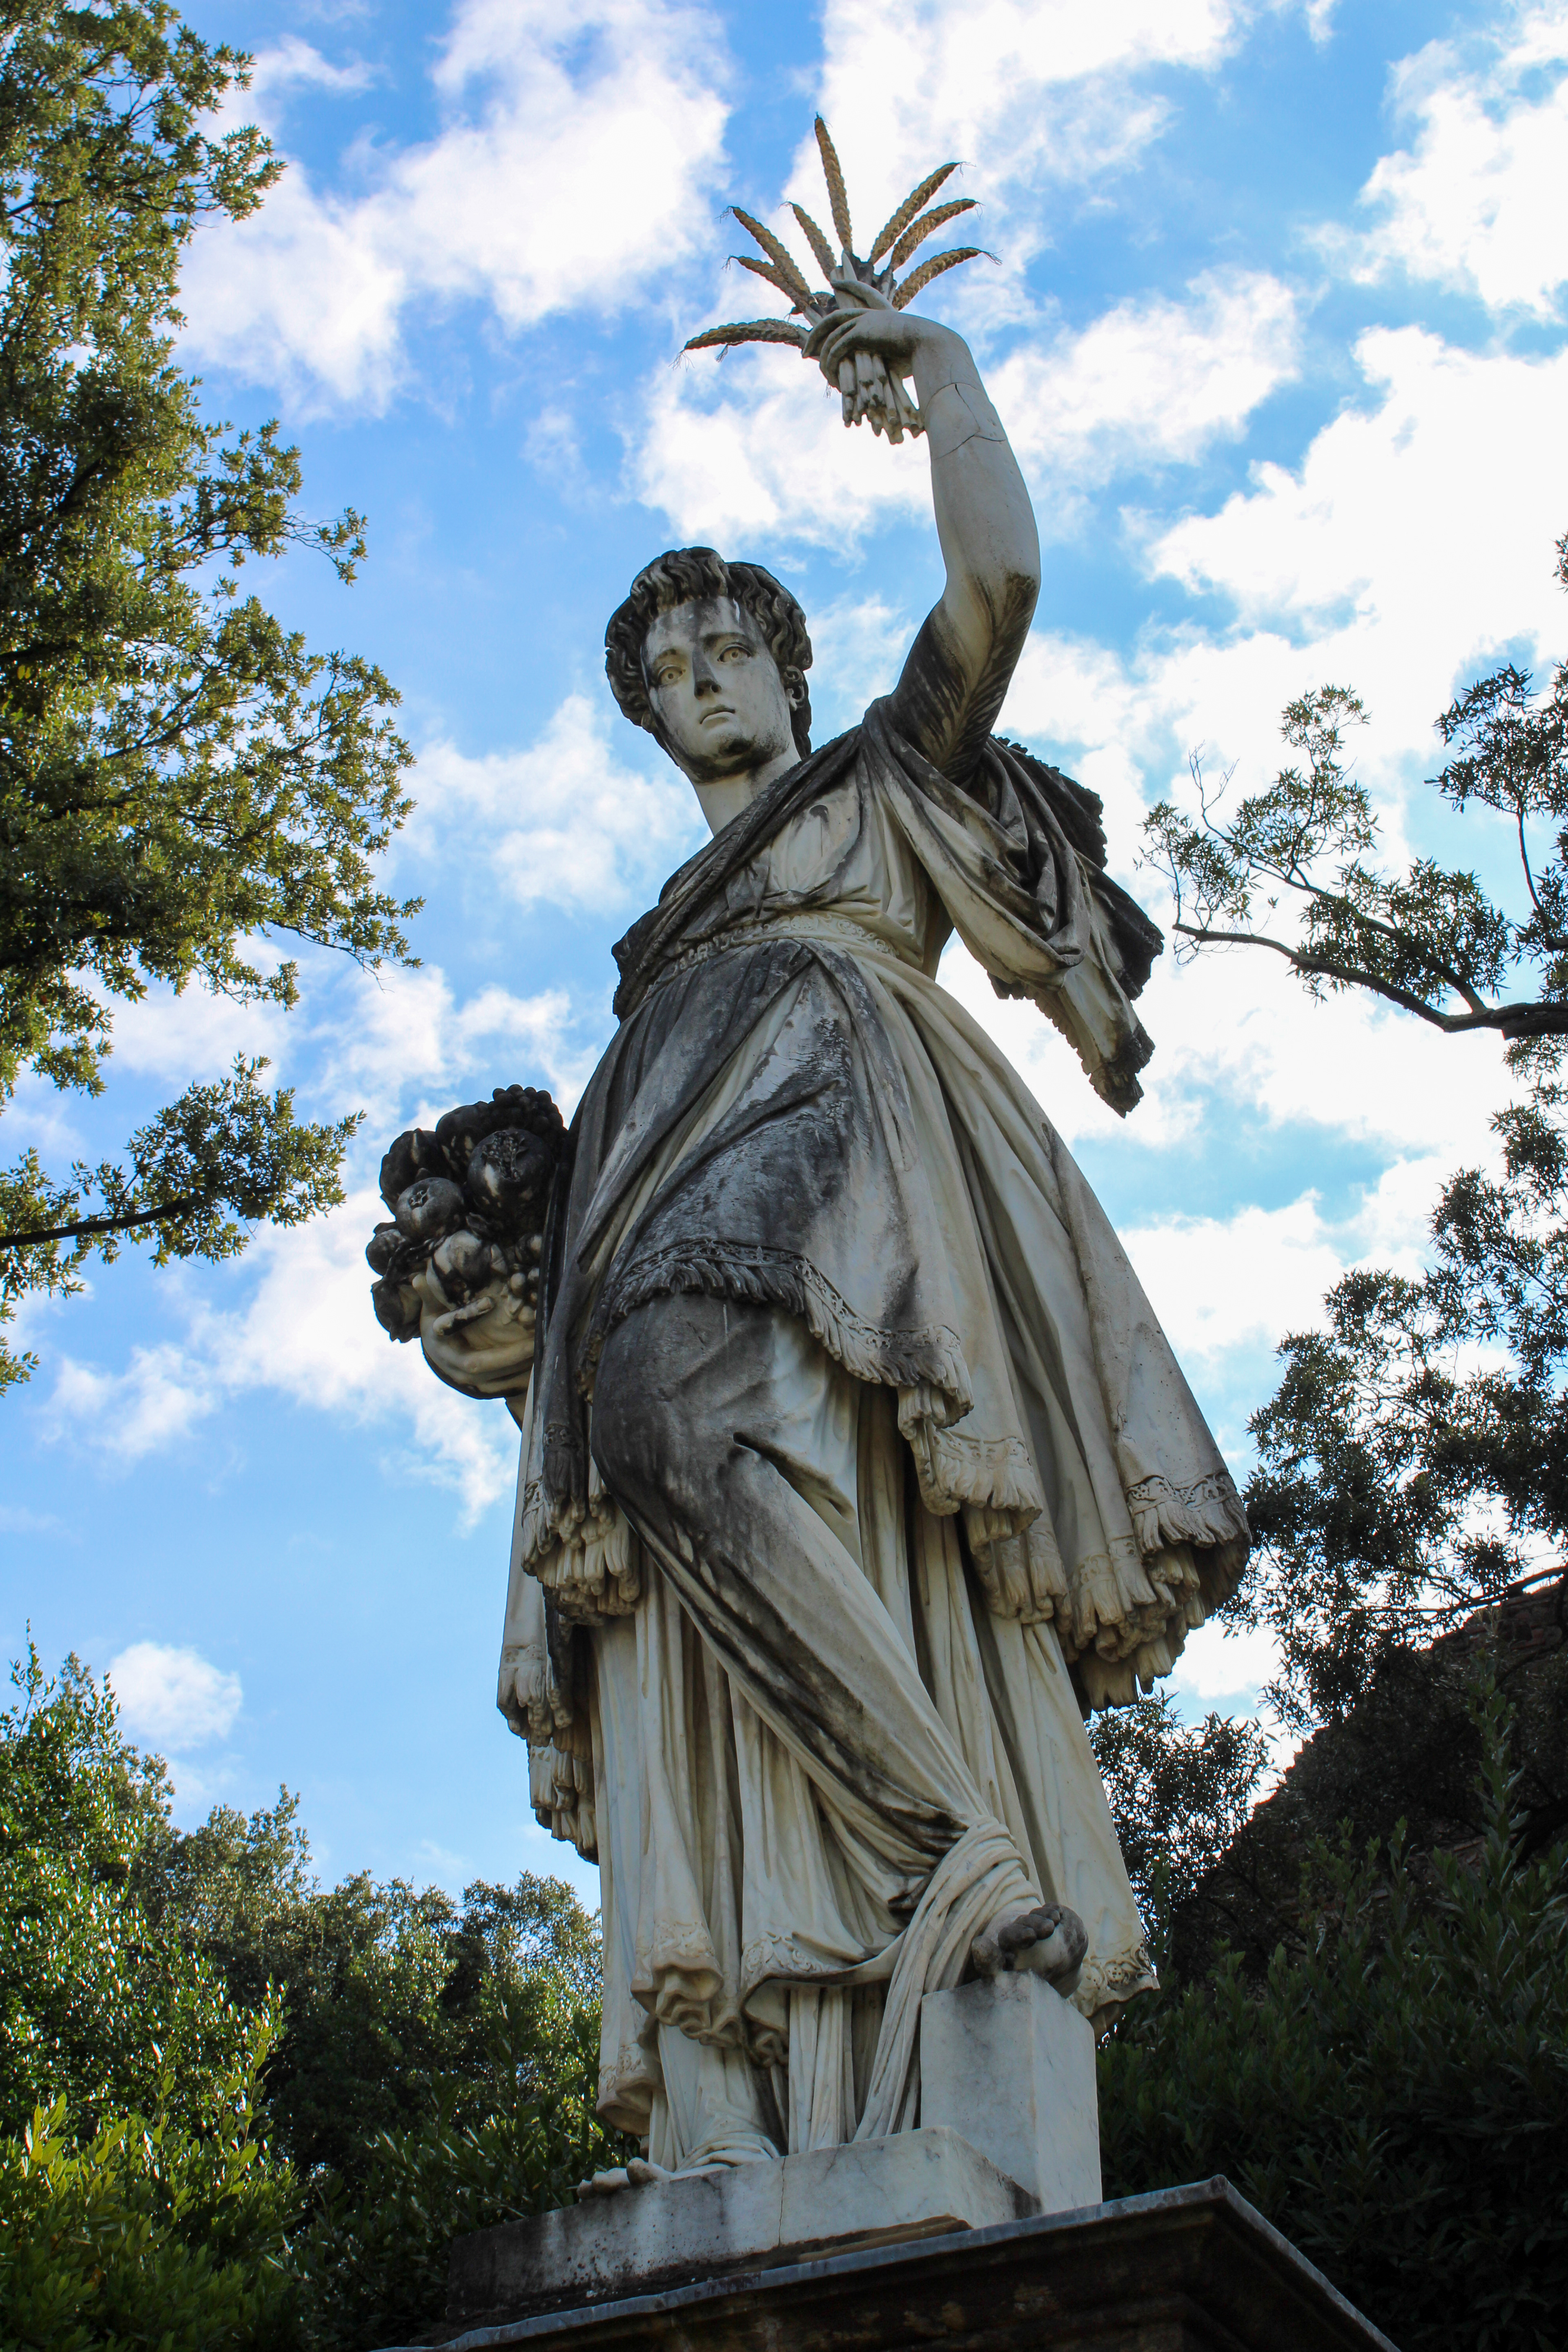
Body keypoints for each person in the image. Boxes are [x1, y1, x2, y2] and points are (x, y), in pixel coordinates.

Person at [416, 287, 1248, 2178]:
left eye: (732, 646)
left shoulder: (876, 786)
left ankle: (944, 1837)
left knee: (674, 1419)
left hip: (847, 1137)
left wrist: (940, 373)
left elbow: (999, 583)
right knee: (660, 1526)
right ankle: (795, 2030)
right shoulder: (657, 955)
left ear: (790, 675)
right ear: (649, 721)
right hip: (672, 1158)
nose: (706, 678)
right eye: (671, 669)